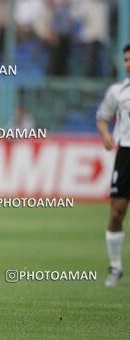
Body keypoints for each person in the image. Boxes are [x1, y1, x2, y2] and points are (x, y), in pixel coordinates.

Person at [96, 43, 130, 287]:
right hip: (126, 153)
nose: (128, 63)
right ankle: (115, 265)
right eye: (126, 59)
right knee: (117, 210)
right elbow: (102, 116)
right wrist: (106, 135)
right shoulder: (118, 91)